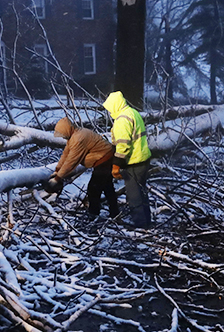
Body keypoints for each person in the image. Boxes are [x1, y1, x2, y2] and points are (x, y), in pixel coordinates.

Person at [45, 117, 119, 218]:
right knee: (107, 187)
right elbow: (66, 155)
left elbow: (72, 160)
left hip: (105, 160)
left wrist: (58, 178)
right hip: (105, 159)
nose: (62, 137)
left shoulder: (78, 138)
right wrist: (57, 170)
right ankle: (115, 213)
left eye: (62, 134)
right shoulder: (74, 136)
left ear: (67, 130)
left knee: (93, 189)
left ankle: (94, 215)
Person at [102, 91, 152, 229]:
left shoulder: (122, 120)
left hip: (134, 163)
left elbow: (123, 146)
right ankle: (147, 221)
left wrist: (116, 166)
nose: (109, 111)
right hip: (143, 159)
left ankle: (140, 226)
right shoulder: (132, 112)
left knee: (133, 196)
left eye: (110, 107)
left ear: (115, 105)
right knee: (142, 193)